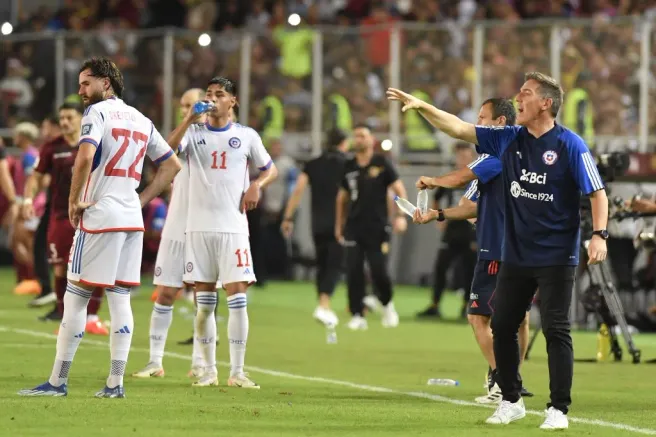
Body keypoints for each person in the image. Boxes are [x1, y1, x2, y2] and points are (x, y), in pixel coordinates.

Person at [389, 71, 608, 430]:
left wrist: (599, 235)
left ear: (545, 103)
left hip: (556, 254)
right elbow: (459, 128)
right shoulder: (508, 139)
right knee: (503, 324)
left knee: (555, 328)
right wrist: (423, 107)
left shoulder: (571, 145)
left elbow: (597, 192)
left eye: (526, 93)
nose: (517, 98)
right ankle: (511, 400)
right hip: (516, 254)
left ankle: (559, 409)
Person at [18, 56, 181, 398]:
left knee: (75, 298)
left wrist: (73, 200)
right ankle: (114, 384)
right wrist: (142, 199)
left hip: (100, 216)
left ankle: (58, 382)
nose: (81, 91)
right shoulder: (141, 119)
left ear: (106, 82)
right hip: (130, 221)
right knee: (120, 298)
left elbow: (85, 156)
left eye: (85, 83)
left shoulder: (97, 113)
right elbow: (172, 165)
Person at [412, 98, 532, 403]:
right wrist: (437, 215)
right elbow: (470, 207)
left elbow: (462, 178)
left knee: (479, 318)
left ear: (500, 123)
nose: (478, 123)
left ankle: (504, 382)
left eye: (483, 117)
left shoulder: (493, 156)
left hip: (495, 252)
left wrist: (433, 181)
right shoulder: (526, 156)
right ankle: (511, 379)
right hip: (525, 252)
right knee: (519, 319)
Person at [167, 76, 278, 389]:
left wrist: (257, 184)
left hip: (232, 228)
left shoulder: (246, 136)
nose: (212, 99)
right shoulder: (194, 132)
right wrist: (189, 118)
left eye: (219, 95)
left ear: (233, 102)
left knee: (237, 298)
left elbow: (271, 168)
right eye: (209, 94)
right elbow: (167, 152)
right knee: (204, 304)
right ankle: (209, 370)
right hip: (198, 228)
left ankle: (238, 372)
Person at [133, 88, 211, 379]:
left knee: (204, 296)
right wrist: (188, 122)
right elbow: (164, 153)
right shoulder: (184, 135)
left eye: (192, 105)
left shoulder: (219, 139)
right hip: (177, 224)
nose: (186, 110)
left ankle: (200, 362)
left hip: (205, 226)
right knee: (165, 293)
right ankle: (155, 362)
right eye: (183, 106)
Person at [23, 102, 108, 334]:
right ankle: (65, 319)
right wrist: (29, 200)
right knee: (60, 269)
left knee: (94, 267)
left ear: (82, 119)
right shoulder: (52, 147)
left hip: (92, 213)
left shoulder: (95, 143)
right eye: (62, 118)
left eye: (70, 117)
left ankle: (91, 318)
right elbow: (36, 177)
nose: (65, 122)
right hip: (61, 216)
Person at [335, 124, 408, 331]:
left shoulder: (382, 163)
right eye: (356, 136)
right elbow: (342, 198)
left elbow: (400, 190)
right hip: (353, 226)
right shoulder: (348, 166)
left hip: (377, 226)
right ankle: (357, 314)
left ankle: (387, 305)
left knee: (379, 270)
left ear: (371, 140)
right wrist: (338, 225)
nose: (359, 139)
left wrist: (401, 215)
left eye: (363, 136)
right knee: (353, 270)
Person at [281, 129, 350, 326]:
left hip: (317, 221)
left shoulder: (313, 164)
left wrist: (288, 217)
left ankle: (323, 304)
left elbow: (298, 190)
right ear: (344, 143)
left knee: (322, 262)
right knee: (335, 264)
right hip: (341, 222)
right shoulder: (348, 164)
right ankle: (324, 304)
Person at [416, 142, 477, 319]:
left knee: (469, 270)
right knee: (441, 267)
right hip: (451, 228)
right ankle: (435, 304)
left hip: (470, 230)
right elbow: (437, 196)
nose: (462, 160)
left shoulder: (477, 177)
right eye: (459, 156)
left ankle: (467, 307)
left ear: (471, 158)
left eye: (465, 156)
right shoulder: (451, 178)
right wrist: (439, 218)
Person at [28, 114, 62, 308]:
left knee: (46, 247)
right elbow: (39, 176)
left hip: (64, 207)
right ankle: (53, 294)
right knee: (45, 247)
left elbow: (42, 178)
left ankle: (50, 291)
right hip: (54, 205)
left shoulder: (73, 145)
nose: (43, 131)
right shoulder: (50, 148)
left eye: (45, 126)